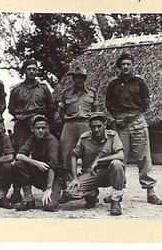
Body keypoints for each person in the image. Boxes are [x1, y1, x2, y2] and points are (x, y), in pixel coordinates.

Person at [105, 53, 162, 205]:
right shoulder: (113, 84)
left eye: (128, 64)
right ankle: (117, 191)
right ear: (119, 66)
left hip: (137, 121)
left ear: (132, 65)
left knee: (143, 157)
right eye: (123, 64)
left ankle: (151, 192)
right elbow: (108, 103)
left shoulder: (140, 82)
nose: (125, 66)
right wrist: (117, 117)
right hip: (120, 123)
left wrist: (133, 115)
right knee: (119, 158)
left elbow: (146, 103)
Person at [8, 59, 56, 203]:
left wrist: (40, 120)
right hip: (22, 126)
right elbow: (11, 108)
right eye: (29, 69)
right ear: (24, 71)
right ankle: (18, 191)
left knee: (45, 153)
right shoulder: (16, 90)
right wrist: (21, 116)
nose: (31, 71)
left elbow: (50, 106)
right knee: (20, 156)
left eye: (34, 69)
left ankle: (50, 185)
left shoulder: (43, 88)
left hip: (38, 124)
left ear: (37, 70)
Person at [67, 112, 126, 216]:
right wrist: (75, 178)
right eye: (93, 127)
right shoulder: (84, 138)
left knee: (117, 164)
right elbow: (73, 156)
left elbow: (120, 155)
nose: (96, 129)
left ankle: (115, 201)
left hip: (108, 173)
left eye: (99, 126)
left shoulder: (113, 135)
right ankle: (91, 193)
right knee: (71, 193)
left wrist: (99, 161)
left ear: (105, 124)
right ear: (89, 127)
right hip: (91, 174)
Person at [56, 65, 98, 202]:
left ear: (85, 78)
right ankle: (68, 189)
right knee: (67, 156)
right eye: (77, 77)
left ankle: (90, 192)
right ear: (73, 78)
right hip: (69, 126)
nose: (79, 80)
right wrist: (66, 122)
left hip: (86, 124)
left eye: (82, 77)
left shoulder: (92, 92)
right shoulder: (66, 93)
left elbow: (95, 110)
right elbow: (60, 111)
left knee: (89, 156)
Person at [13, 115, 63, 212]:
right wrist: (36, 163)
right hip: (40, 173)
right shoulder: (32, 139)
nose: (40, 131)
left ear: (47, 128)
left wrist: (49, 188)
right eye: (37, 128)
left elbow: (52, 166)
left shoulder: (52, 141)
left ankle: (56, 192)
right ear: (32, 129)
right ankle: (29, 199)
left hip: (54, 177)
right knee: (19, 164)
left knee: (49, 206)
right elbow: (19, 155)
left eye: (43, 128)